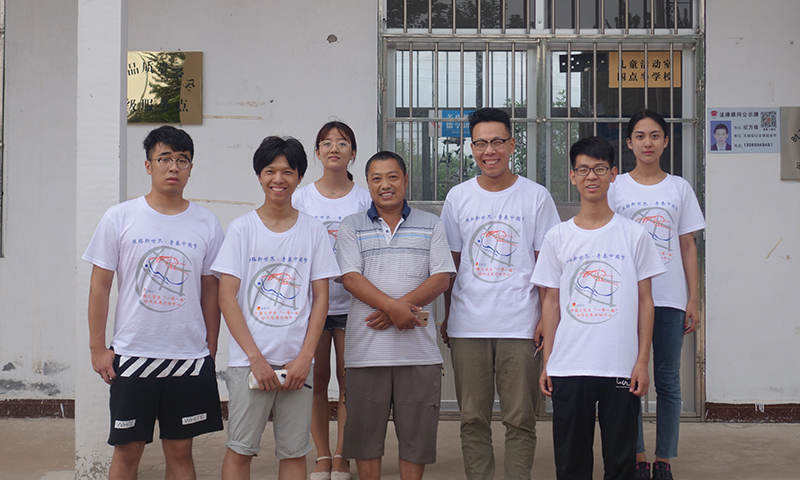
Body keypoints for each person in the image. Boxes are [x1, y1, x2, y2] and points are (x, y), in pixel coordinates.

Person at [83, 125, 225, 479]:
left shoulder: (207, 222)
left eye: (182, 160)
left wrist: (210, 346)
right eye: (164, 159)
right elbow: (100, 285)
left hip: (187, 357)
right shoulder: (120, 217)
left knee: (180, 451)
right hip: (133, 355)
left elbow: (211, 290)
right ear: (148, 165)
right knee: (127, 451)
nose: (173, 167)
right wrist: (97, 348)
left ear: (190, 168)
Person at [532, 136, 667, 480]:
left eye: (600, 169)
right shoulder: (557, 237)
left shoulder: (634, 235)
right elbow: (551, 302)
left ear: (613, 174)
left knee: (620, 463)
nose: (591, 176)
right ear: (573, 176)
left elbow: (645, 301)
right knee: (571, 463)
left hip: (619, 365)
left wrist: (642, 361)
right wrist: (548, 362)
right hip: (569, 365)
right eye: (583, 170)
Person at [439, 107, 560, 480]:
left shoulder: (535, 197)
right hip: (468, 325)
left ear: (512, 144)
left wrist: (546, 319)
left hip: (520, 325)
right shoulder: (458, 197)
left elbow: (548, 267)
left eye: (497, 142)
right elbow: (451, 266)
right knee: (472, 418)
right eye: (480, 143)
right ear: (471, 147)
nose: (488, 151)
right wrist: (449, 315)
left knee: (521, 418)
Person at [213, 136, 340, 480]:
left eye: (288, 172)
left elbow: (321, 298)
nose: (278, 179)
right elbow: (226, 298)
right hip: (248, 363)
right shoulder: (242, 229)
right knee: (240, 449)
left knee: (295, 452)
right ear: (259, 175)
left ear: (299, 177)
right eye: (270, 171)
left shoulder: (313, 231)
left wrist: (305, 358)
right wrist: (255, 358)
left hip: (297, 363)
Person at [335, 151, 456, 480]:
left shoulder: (431, 224)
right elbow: (351, 278)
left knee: (416, 440)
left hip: (419, 354)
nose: (385, 185)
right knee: (364, 440)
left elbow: (440, 278)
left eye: (392, 177)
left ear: (405, 180)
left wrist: (395, 309)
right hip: (365, 354)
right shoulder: (351, 226)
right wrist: (395, 309)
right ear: (368, 184)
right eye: (376, 178)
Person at [608, 109, 706, 480]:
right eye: (639, 136)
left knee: (667, 380)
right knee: (628, 379)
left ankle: (664, 459)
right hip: (627, 299)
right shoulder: (616, 188)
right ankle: (637, 455)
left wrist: (693, 298)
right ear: (629, 143)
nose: (647, 143)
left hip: (669, 298)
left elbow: (688, 245)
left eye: (654, 136)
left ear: (665, 142)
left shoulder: (679, 188)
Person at [292, 121, 370, 480]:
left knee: (349, 381)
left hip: (355, 304)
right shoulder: (301, 198)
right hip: (314, 306)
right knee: (317, 380)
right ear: (317, 152)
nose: (334, 148)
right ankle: (322, 455)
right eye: (326, 143)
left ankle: (342, 454)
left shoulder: (365, 198)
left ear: (353, 152)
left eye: (342, 142)